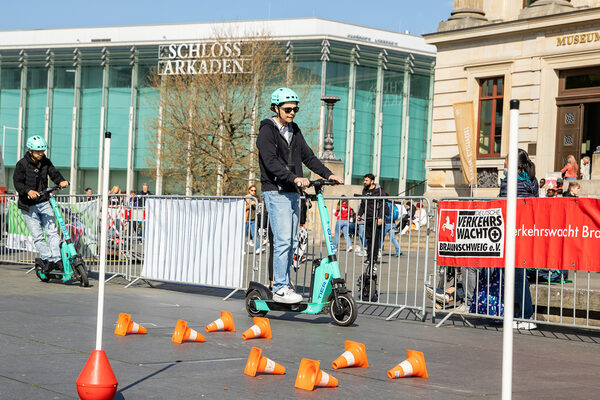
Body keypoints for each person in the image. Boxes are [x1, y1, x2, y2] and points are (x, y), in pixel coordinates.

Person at [256, 87, 342, 304]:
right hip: (276, 191)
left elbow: (309, 157)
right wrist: (293, 178)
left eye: (295, 109)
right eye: (287, 109)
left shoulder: (294, 130)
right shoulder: (267, 131)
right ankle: (279, 287)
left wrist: (329, 174)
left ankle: (284, 283)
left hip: (293, 192)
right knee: (283, 241)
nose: (292, 112)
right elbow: (271, 162)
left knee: (292, 241)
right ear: (276, 108)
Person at [493, 148, 538, 330]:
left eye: (505, 160)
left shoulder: (510, 183)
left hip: (511, 233)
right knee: (518, 275)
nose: (503, 164)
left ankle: (526, 315)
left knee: (516, 275)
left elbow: (502, 204)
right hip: (524, 233)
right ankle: (521, 314)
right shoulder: (531, 182)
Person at [13, 135, 69, 273]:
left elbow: (54, 173)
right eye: (38, 151)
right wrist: (28, 191)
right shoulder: (22, 164)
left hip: (44, 202)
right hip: (28, 205)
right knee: (38, 236)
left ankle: (57, 260)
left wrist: (61, 181)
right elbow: (17, 183)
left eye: (42, 151)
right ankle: (47, 259)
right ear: (30, 150)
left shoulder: (45, 162)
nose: (41, 154)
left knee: (52, 232)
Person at [357, 173, 386, 268]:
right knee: (369, 239)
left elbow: (383, 205)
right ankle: (369, 257)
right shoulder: (365, 190)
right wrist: (359, 214)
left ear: (372, 181)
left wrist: (381, 217)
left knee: (375, 239)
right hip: (368, 218)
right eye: (364, 180)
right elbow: (362, 204)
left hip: (376, 218)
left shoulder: (379, 190)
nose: (364, 182)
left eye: (366, 180)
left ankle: (374, 258)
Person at [245, 185, 260, 251]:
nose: (253, 192)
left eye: (255, 190)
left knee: (254, 235)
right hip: (246, 219)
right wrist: (250, 204)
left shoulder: (254, 198)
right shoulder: (246, 198)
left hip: (253, 219)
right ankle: (240, 249)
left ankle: (257, 248)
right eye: (252, 190)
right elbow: (243, 208)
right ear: (249, 190)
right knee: (242, 235)